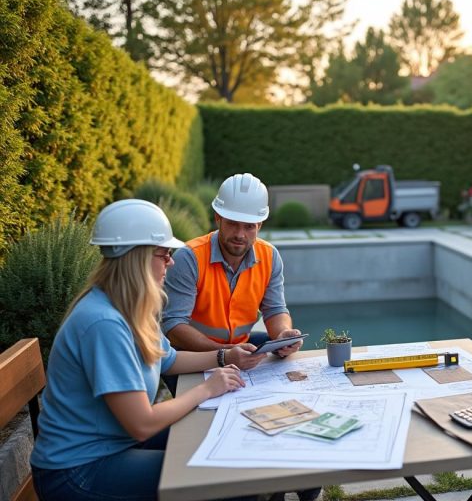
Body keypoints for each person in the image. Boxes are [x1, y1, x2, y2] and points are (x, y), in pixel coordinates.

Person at [30, 199, 259, 501]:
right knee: (225, 481)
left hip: (113, 445)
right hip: (78, 471)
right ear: (136, 258)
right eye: (164, 254)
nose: (171, 262)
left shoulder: (127, 306)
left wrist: (226, 356)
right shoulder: (103, 323)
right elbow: (142, 424)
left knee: (222, 438)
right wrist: (206, 389)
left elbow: (169, 359)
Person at [161, 173, 320, 501]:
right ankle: (252, 485)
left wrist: (283, 335)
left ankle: (291, 478)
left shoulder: (269, 256)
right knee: (226, 428)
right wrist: (225, 353)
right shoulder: (189, 258)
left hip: (238, 351)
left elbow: (276, 309)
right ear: (217, 217)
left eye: (250, 226)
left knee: (282, 403)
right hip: (189, 363)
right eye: (233, 223)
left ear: (260, 224)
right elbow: (173, 326)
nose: (240, 234)